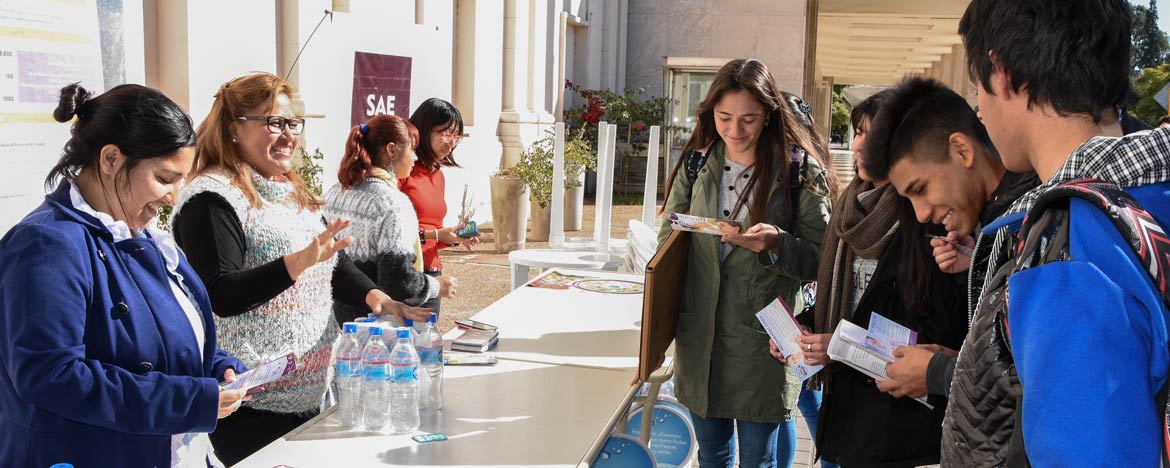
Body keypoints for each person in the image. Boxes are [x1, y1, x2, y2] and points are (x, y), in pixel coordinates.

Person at [866, 0, 1170, 462]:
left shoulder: (1069, 246)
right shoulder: (1146, 192)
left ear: (1001, 73)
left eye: (977, 91)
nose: (980, 114)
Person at [171, 72, 431, 465]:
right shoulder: (211, 198)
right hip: (250, 405)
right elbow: (220, 293)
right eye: (274, 122)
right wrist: (297, 263)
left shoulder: (288, 189)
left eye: (294, 123)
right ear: (233, 129)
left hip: (309, 394)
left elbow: (332, 261)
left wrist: (378, 298)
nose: (289, 134)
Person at [0, 83, 248, 467]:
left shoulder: (138, 231)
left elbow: (155, 339)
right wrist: (188, 399)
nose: (173, 197)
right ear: (111, 159)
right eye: (165, 179)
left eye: (181, 180)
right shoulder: (47, 243)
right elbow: (51, 375)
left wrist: (216, 368)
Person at [653, 58, 837, 468]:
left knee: (758, 458)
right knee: (713, 455)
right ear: (710, 113)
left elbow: (823, 257)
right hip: (701, 335)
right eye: (724, 118)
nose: (735, 131)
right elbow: (669, 243)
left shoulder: (798, 170)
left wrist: (776, 243)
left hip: (762, 339)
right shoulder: (696, 162)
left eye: (749, 119)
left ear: (769, 114)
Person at [781, 91, 966, 468]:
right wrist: (805, 329)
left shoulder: (928, 219)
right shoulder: (849, 211)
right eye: (857, 131)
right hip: (843, 410)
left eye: (873, 133)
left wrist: (844, 344)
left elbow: (937, 328)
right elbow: (843, 300)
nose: (860, 143)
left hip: (895, 422)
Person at [868, 79, 1038, 405]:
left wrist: (940, 372)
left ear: (961, 150)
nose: (920, 215)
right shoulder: (997, 226)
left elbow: (1042, 385)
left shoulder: (1035, 222)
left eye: (920, 189)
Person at [323, 115, 457, 324]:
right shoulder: (393, 203)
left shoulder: (332, 194)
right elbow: (398, 281)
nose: (414, 157)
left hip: (334, 323)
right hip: (375, 331)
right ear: (392, 150)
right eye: (411, 149)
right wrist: (436, 286)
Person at [403, 98, 481, 319]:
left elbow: (429, 232)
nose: (451, 143)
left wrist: (453, 237)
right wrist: (437, 234)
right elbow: (393, 231)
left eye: (456, 137)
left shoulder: (437, 174)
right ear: (425, 129)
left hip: (433, 271)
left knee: (426, 346)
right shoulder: (403, 170)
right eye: (446, 134)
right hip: (407, 273)